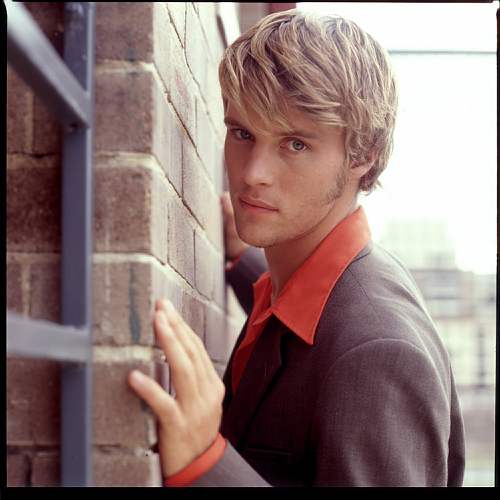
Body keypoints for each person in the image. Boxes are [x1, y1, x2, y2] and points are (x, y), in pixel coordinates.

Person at [127, 9, 465, 486]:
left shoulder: (379, 354)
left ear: (363, 155)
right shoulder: (308, 277)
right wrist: (240, 260)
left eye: (295, 145)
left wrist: (205, 463)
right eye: (243, 133)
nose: (253, 174)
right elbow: (302, 325)